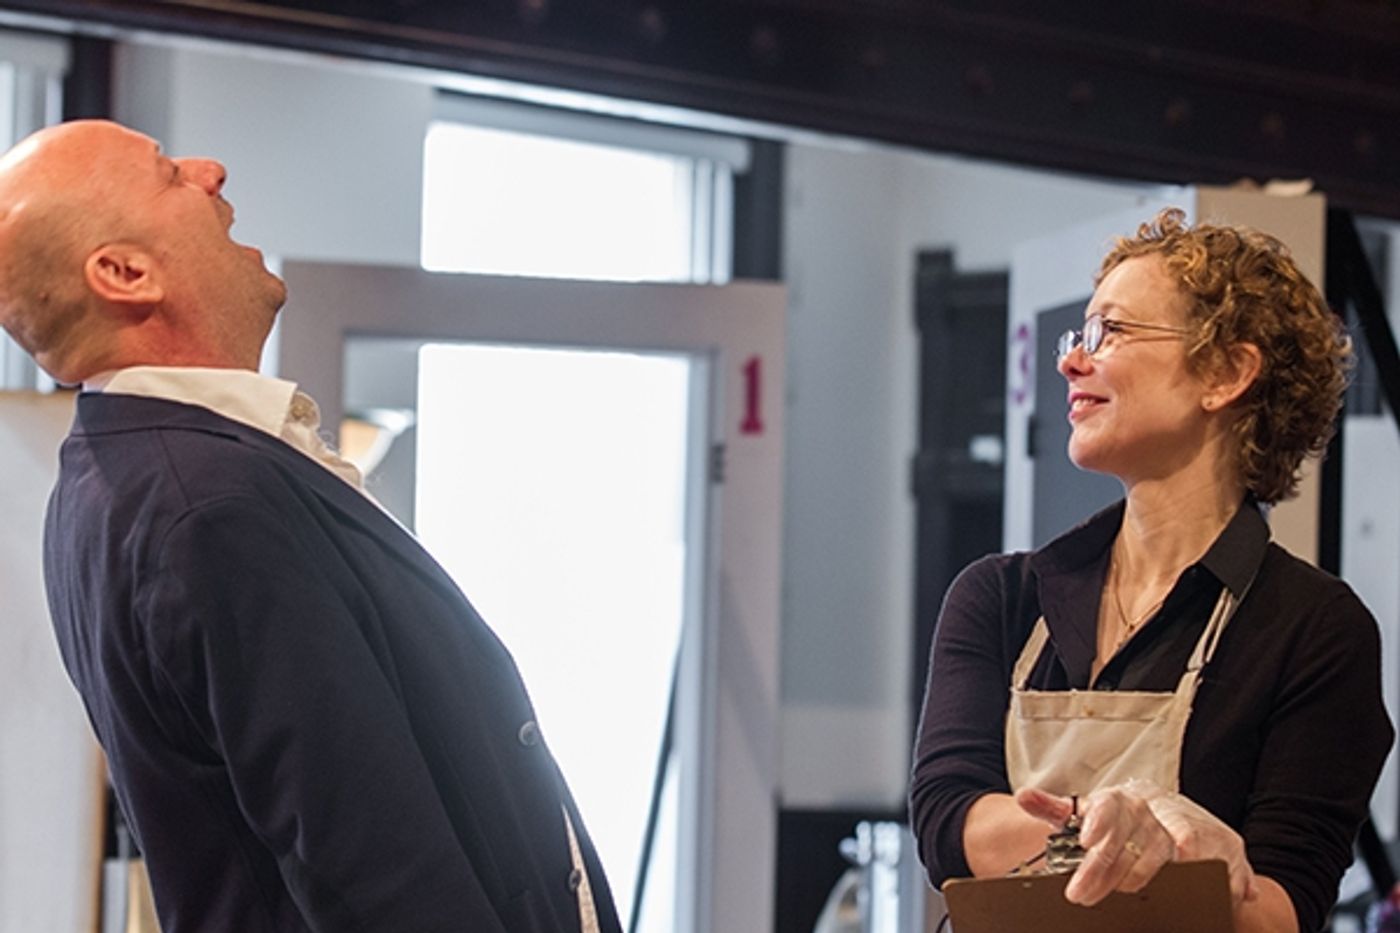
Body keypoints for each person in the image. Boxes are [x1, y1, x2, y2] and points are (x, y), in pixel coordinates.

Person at [0, 118, 621, 933]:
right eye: (166, 173)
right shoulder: (209, 509)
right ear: (124, 272)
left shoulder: (129, 476)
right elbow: (380, 879)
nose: (210, 169)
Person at [909, 208, 1394, 933]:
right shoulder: (1003, 597)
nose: (1071, 360)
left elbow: (1286, 907)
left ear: (1227, 372)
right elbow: (949, 817)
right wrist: (1125, 840)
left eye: (1111, 332)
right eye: (1079, 335)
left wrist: (1203, 864)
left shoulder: (1315, 629)